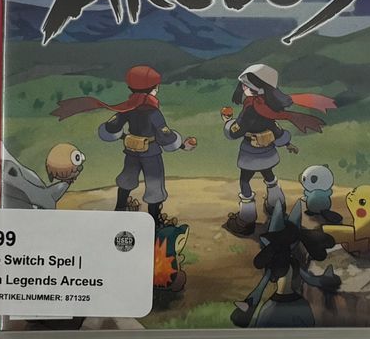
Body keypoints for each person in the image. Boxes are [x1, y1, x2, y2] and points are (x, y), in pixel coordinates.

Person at [52, 65, 195, 225]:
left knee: (127, 179)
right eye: (156, 86)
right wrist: (182, 145)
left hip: (131, 151)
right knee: (154, 186)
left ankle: (120, 210)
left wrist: (124, 137)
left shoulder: (128, 109)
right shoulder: (153, 112)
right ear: (153, 89)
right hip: (151, 153)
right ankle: (154, 223)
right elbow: (165, 135)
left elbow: (111, 127)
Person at [221, 63, 333, 236]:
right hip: (268, 152)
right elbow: (275, 128)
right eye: (244, 85)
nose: (244, 88)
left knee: (245, 181)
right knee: (269, 177)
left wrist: (227, 122)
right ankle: (276, 205)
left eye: (247, 86)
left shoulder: (250, 108)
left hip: (251, 153)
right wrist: (286, 143)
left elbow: (236, 131)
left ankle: (246, 220)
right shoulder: (269, 108)